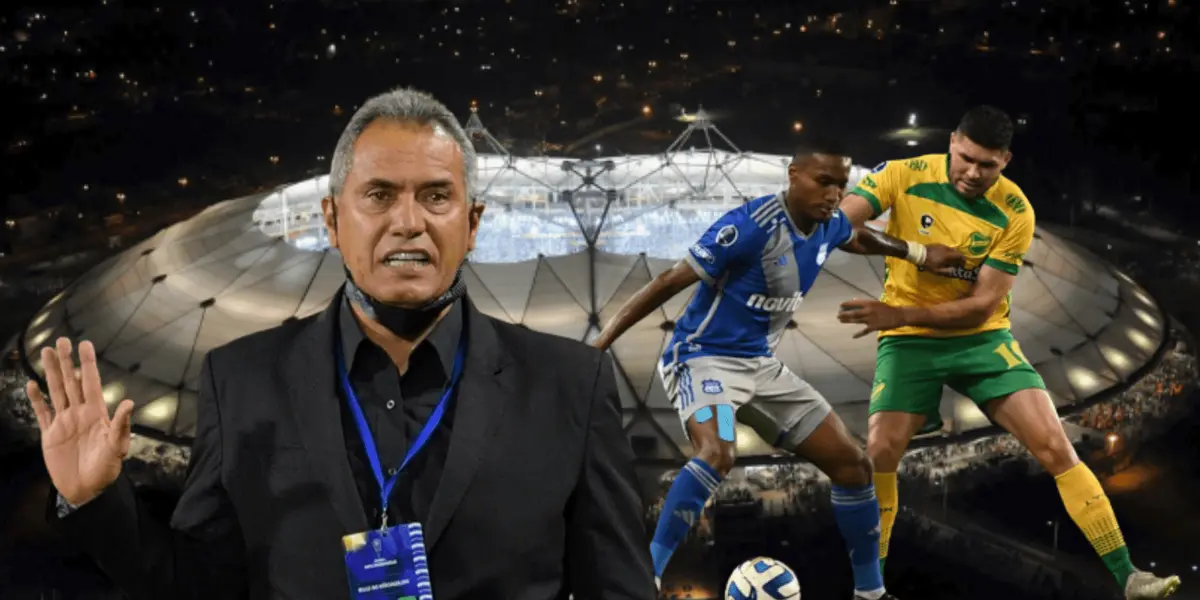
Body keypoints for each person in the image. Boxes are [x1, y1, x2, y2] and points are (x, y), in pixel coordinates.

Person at [28, 87, 655, 600]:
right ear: (331, 220)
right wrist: (95, 500)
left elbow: (618, 587)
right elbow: (201, 584)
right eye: (379, 195)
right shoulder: (242, 379)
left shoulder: (569, 385)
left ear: (472, 224)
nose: (408, 222)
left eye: (436, 196)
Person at [593, 140, 965, 600]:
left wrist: (919, 254)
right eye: (823, 182)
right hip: (705, 361)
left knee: (854, 465)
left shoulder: (828, 223)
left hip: (762, 368)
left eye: (840, 185)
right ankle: (644, 575)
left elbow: (856, 235)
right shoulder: (750, 227)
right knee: (718, 452)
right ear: (793, 176)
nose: (834, 195)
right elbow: (668, 281)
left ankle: (870, 593)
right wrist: (599, 346)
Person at [837, 105, 1181, 600]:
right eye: (966, 158)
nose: (973, 173)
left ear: (1005, 161)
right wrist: (915, 253)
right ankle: (869, 592)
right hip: (910, 339)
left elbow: (981, 307)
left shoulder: (1015, 211)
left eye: (987, 165)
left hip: (979, 338)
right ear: (952, 142)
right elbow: (839, 228)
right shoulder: (902, 175)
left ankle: (1130, 576)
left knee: (1055, 447)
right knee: (881, 452)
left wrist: (900, 313)